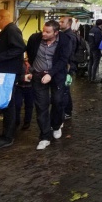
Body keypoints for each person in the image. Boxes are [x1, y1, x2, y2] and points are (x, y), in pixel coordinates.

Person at [26, 20, 72, 150]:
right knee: (41, 106)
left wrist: (50, 74)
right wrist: (34, 70)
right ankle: (44, 136)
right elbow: (30, 54)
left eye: (47, 32)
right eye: (43, 31)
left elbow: (63, 60)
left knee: (57, 101)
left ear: (56, 32)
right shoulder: (34, 39)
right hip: (38, 75)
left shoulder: (65, 40)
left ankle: (56, 125)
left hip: (57, 75)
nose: (44, 34)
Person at [0, 9, 27, 151]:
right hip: (8, 72)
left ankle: (7, 137)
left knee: (7, 104)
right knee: (10, 102)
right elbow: (6, 49)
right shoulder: (8, 30)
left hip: (8, 73)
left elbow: (20, 48)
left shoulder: (11, 30)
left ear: (1, 17)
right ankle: (11, 129)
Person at [59, 16, 82, 120]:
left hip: (68, 66)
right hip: (68, 65)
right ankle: (67, 111)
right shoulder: (68, 35)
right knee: (65, 89)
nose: (59, 23)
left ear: (68, 24)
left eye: (62, 22)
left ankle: (67, 111)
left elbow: (69, 52)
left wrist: (67, 64)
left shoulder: (69, 36)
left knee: (65, 89)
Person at [14, 58, 34, 132]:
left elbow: (38, 72)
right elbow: (14, 75)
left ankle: (27, 121)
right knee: (17, 104)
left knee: (29, 105)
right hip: (19, 86)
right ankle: (16, 121)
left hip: (31, 87)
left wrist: (33, 76)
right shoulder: (17, 62)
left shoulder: (35, 61)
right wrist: (23, 78)